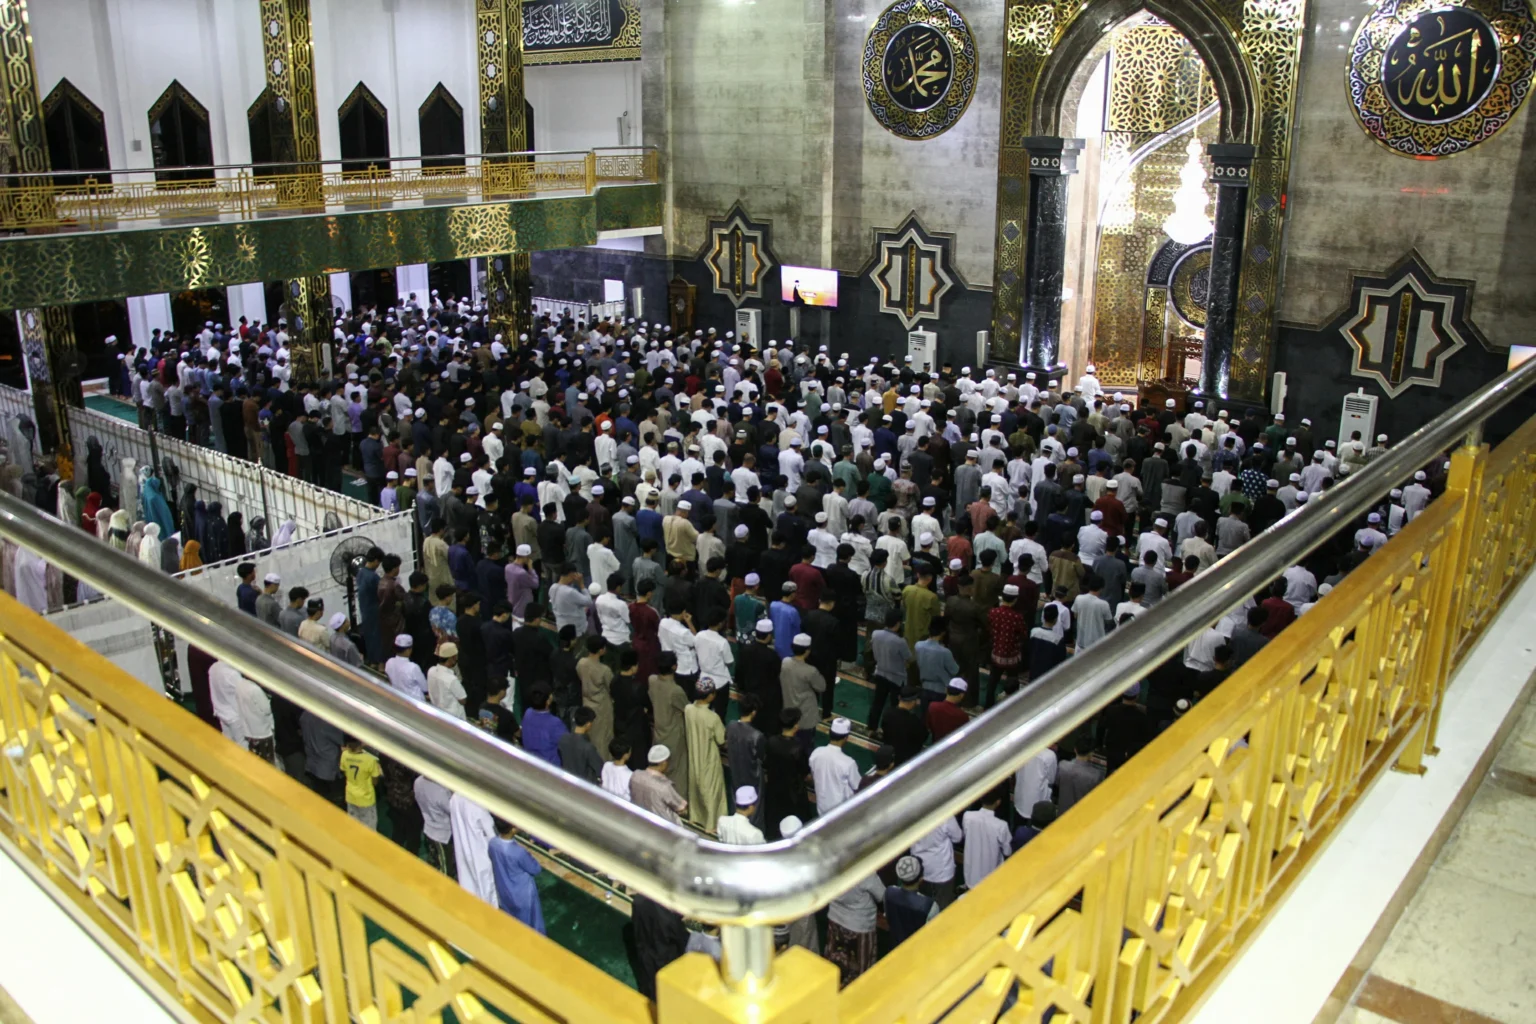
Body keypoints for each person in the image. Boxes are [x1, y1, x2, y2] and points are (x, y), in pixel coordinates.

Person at [825, 870, 885, 984]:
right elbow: (881, 895)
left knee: (835, 966)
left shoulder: (832, 863)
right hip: (859, 926)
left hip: (835, 919)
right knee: (862, 973)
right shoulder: (863, 868)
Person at [684, 678, 728, 829]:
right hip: (709, 759)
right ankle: (711, 824)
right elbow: (722, 740)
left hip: (694, 756)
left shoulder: (688, 709)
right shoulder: (712, 717)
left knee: (696, 787)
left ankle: (695, 817)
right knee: (711, 791)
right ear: (710, 696)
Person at [488, 818, 545, 933]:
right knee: (532, 925)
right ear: (512, 829)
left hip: (504, 891)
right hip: (523, 895)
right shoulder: (518, 852)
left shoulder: (492, 843)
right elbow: (535, 869)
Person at [649, 653, 691, 789]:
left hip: (658, 732)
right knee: (677, 774)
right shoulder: (675, 691)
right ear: (675, 667)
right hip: (674, 736)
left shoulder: (652, 680)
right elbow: (687, 710)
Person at [449, 792, 498, 907]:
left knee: (468, 884)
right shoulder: (477, 804)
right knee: (486, 890)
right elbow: (492, 835)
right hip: (480, 853)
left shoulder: (454, 798)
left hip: (462, 850)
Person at [961, 790, 1012, 889]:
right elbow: (1007, 851)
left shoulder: (967, 816)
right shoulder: (1001, 825)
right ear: (998, 802)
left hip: (970, 874)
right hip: (991, 876)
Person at [809, 717, 862, 814]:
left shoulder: (816, 753)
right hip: (840, 810)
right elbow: (857, 785)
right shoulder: (848, 763)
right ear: (846, 738)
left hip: (822, 805)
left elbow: (813, 776)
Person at [884, 856, 939, 947]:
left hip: (895, 948)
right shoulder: (930, 905)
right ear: (921, 879)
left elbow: (888, 917)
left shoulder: (889, 892)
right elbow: (933, 934)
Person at [630, 744, 688, 825]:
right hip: (663, 828)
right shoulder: (664, 786)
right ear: (663, 763)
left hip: (640, 822)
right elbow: (681, 808)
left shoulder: (635, 775)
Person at [415, 774, 455, 877]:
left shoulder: (418, 782)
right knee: (446, 867)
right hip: (442, 835)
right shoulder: (439, 791)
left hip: (429, 828)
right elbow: (453, 810)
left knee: (434, 861)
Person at [339, 736, 382, 831]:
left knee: (353, 826)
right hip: (366, 798)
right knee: (369, 829)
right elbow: (375, 781)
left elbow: (344, 771)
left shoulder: (344, 755)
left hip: (350, 795)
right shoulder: (370, 759)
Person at [520, 688, 567, 766]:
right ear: (548, 701)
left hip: (529, 763)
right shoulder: (555, 723)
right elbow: (567, 744)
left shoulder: (528, 713)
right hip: (549, 768)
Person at [1056, 739, 1105, 812]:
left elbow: (1057, 783)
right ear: (1091, 753)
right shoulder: (1096, 775)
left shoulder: (1062, 766)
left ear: (1075, 750)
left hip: (1063, 814)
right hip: (1082, 815)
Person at [558, 706, 604, 783]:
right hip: (583, 785)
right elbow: (600, 768)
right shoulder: (588, 748)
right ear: (588, 724)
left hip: (567, 782)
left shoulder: (563, 739)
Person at [427, 642, 467, 719]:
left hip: (438, 714)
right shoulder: (451, 679)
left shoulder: (431, 671)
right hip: (454, 718)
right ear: (452, 658)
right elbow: (463, 699)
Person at [385, 635, 429, 701]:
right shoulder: (413, 667)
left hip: (398, 698)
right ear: (408, 650)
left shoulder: (389, 662)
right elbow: (425, 688)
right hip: (415, 702)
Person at [925, 677, 970, 742]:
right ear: (962, 695)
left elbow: (928, 726)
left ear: (946, 690)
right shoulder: (963, 716)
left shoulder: (933, 706)